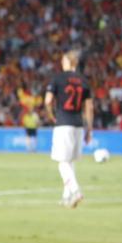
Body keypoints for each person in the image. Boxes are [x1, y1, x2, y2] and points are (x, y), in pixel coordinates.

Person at [44, 50, 93, 208]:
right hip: (78, 125)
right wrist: (89, 129)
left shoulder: (58, 78)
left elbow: (48, 101)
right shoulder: (84, 81)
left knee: (62, 163)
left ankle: (75, 191)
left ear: (68, 62)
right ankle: (67, 197)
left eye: (63, 60)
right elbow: (89, 107)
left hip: (63, 123)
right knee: (70, 161)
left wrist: (51, 115)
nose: (61, 63)